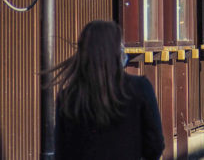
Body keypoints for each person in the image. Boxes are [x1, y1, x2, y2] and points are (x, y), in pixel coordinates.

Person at [53, 20, 164, 159]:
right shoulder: (140, 88)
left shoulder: (68, 97)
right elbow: (155, 145)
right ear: (116, 52)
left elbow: (61, 152)